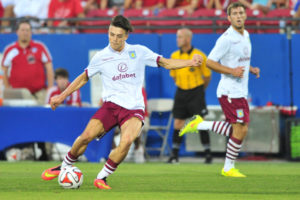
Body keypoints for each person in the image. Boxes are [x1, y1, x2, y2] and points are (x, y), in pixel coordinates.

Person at [41, 15, 203, 189]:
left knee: (126, 141)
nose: (114, 39)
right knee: (86, 137)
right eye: (111, 34)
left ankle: (102, 177)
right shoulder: (100, 57)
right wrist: (61, 96)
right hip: (111, 106)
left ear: (126, 36)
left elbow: (166, 63)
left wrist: (190, 62)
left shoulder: (139, 51)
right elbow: (83, 78)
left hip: (134, 108)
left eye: (119, 36)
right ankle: (64, 165)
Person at [179, 2, 260, 177]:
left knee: (240, 129)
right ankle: (228, 168)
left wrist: (250, 68)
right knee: (240, 129)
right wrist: (232, 71)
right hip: (229, 91)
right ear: (229, 18)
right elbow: (209, 62)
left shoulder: (245, 34)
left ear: (245, 15)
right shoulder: (226, 38)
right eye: (235, 14)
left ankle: (200, 124)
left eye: (241, 12)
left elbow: (239, 61)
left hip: (240, 91)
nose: (238, 16)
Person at [167, 28, 212, 164]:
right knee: (178, 123)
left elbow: (207, 76)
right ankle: (174, 155)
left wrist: (200, 90)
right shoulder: (174, 56)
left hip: (196, 92)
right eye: (177, 37)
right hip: (181, 92)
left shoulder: (199, 55)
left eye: (180, 37)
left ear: (187, 39)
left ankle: (208, 154)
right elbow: (174, 76)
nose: (177, 40)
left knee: (200, 122)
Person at [1, 20, 54, 105]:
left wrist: (50, 89)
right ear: (17, 32)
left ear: (31, 32)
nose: (25, 33)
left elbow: (49, 69)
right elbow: (4, 71)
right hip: (18, 94)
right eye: (22, 30)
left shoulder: (40, 47)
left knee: (40, 116)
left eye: (27, 30)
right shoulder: (10, 49)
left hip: (39, 93)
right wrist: (7, 88)